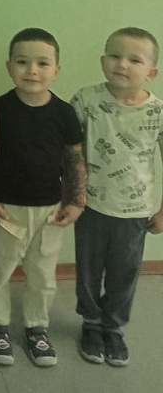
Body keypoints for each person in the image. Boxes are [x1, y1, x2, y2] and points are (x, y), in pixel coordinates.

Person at [0, 28, 86, 367]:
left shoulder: (64, 113)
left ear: (56, 69)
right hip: (5, 209)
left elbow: (74, 159)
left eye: (43, 63)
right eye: (23, 62)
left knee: (42, 275)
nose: (32, 71)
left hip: (50, 210)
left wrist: (76, 201)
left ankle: (36, 327)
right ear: (9, 67)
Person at [71, 27, 163, 367]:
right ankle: (91, 324)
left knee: (125, 273)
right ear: (102, 61)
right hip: (90, 206)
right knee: (88, 271)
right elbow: (70, 152)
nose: (122, 64)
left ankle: (114, 327)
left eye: (134, 60)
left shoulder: (158, 112)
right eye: (114, 55)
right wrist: (71, 198)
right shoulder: (85, 100)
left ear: (151, 72)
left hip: (135, 212)